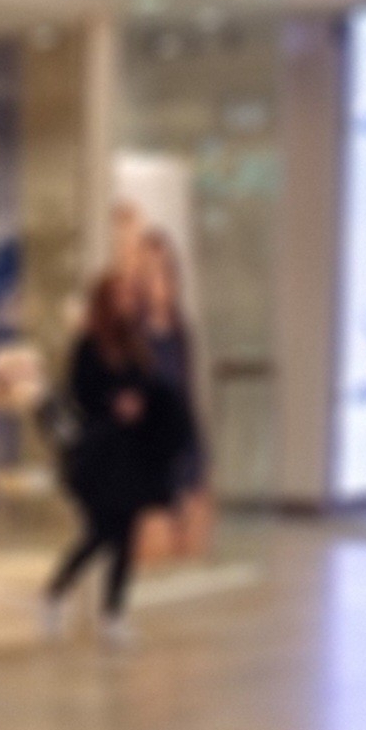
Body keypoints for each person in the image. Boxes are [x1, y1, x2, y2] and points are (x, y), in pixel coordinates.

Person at [42, 271, 190, 649]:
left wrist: (142, 405)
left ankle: (113, 614)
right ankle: (56, 591)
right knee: (100, 532)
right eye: (120, 295)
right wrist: (112, 403)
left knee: (126, 536)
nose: (127, 301)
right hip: (100, 455)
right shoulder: (89, 344)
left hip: (131, 455)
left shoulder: (135, 343)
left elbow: (150, 386)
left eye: (129, 294)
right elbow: (80, 392)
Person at [138, 227, 209, 558]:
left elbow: (187, 399)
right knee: (154, 552)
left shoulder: (181, 332)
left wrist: (200, 466)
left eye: (166, 269)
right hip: (147, 467)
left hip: (185, 459)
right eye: (150, 272)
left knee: (191, 554)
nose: (160, 280)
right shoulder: (133, 336)